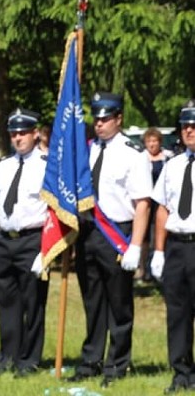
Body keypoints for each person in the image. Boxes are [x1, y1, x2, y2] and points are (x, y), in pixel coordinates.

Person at [69, 92, 152, 386]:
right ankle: (91, 359)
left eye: (106, 118)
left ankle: (117, 364)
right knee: (92, 300)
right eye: (97, 118)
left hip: (117, 232)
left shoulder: (133, 154)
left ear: (119, 119)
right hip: (87, 232)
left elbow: (142, 203)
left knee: (119, 303)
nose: (100, 123)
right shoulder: (87, 151)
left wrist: (136, 246)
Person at [0, 109, 49, 377]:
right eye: (13, 134)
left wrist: (47, 248)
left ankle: (29, 361)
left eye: (23, 133)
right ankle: (7, 359)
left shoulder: (47, 165)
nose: (17, 138)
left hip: (33, 240)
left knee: (33, 303)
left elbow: (54, 211)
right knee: (6, 304)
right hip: (5, 240)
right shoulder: (3, 166)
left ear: (35, 133)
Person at [150, 100, 195, 393]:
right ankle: (181, 373)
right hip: (178, 246)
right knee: (177, 312)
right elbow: (163, 209)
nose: (189, 131)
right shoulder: (173, 165)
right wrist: (158, 250)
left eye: (194, 126)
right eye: (185, 126)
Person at [138, 127, 175, 282]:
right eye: (149, 141)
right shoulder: (141, 158)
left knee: (159, 235)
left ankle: (159, 268)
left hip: (162, 204)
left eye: (154, 141)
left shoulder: (168, 157)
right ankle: (142, 269)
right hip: (146, 202)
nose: (152, 144)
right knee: (144, 238)